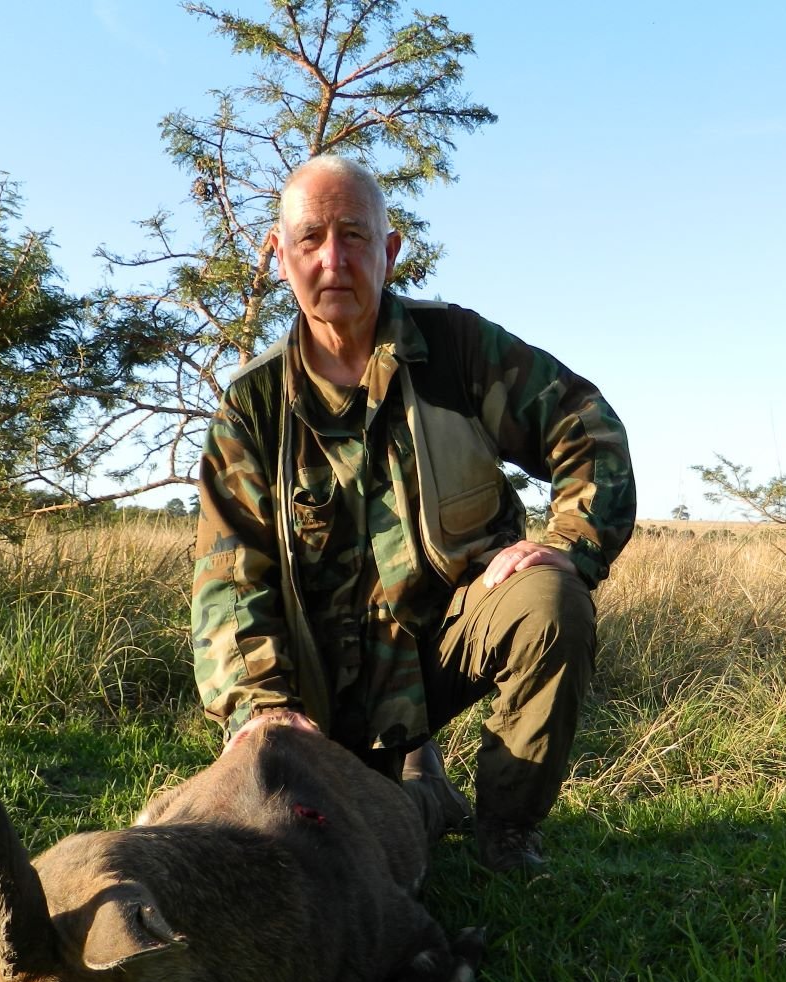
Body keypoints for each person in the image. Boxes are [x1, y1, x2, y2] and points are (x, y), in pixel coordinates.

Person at [191, 155, 635, 872]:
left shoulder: (457, 349)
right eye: (309, 239)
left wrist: (571, 541)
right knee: (313, 843)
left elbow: (586, 425)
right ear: (279, 258)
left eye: (355, 236)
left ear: (390, 251)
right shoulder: (253, 404)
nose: (333, 259)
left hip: (442, 649)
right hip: (317, 697)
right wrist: (259, 706)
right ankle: (416, 784)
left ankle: (508, 831)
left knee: (553, 599)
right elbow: (230, 580)